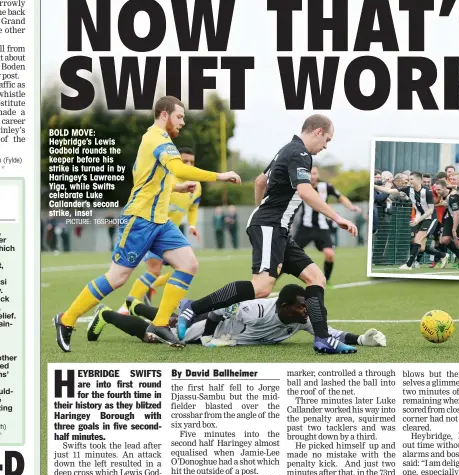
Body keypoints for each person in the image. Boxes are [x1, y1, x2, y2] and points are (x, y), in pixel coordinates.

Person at [54, 95, 241, 352]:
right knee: (117, 277)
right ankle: (66, 319)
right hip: (140, 220)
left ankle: (160, 323)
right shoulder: (157, 138)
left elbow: (144, 174)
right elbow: (181, 169)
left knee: (188, 264)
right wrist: (220, 175)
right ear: (164, 115)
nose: (183, 122)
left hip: (160, 222)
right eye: (179, 116)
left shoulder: (155, 140)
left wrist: (175, 187)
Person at [177, 114, 359, 354]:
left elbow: (259, 181)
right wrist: (337, 217)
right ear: (317, 131)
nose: (326, 146)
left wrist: (261, 210)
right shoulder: (300, 153)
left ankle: (323, 339)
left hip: (276, 227)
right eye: (327, 139)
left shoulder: (287, 149)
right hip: (270, 225)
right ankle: (193, 306)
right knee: (262, 286)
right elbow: (305, 191)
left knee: (316, 278)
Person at [86, 285, 387, 349]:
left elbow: (329, 332)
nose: (306, 312)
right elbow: (216, 312)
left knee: (174, 315)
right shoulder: (255, 309)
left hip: (219, 324)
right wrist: (206, 339)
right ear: (282, 306)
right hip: (211, 325)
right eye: (301, 307)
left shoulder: (300, 319)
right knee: (153, 335)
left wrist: (360, 338)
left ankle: (135, 304)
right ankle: (109, 315)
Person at [120, 147, 202, 310]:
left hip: (172, 236)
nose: (188, 164)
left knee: (187, 267)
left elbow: (193, 206)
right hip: (153, 230)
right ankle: (125, 308)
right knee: (153, 270)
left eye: (191, 162)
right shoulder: (165, 178)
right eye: (184, 161)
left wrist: (192, 225)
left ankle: (149, 287)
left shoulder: (196, 185)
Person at [293, 166, 361, 285]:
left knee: (329, 254)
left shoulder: (326, 186)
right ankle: (272, 279)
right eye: (310, 173)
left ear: (318, 175)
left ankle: (326, 279)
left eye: (315, 173)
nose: (312, 176)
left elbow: (341, 197)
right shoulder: (301, 187)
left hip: (322, 227)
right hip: (305, 227)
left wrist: (351, 207)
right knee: (288, 254)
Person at [375, 172, 445, 270]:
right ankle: (443, 255)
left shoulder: (427, 191)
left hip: (430, 219)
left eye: (411, 179)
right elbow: (389, 190)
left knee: (417, 240)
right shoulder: (408, 189)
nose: (409, 181)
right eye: (408, 179)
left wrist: (418, 220)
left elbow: (430, 210)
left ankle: (408, 265)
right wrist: (373, 186)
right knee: (421, 247)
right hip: (419, 218)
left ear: (419, 180)